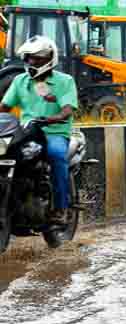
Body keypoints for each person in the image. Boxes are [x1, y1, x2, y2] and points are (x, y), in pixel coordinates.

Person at [0, 35, 78, 225]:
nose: (31, 62)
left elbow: (68, 108)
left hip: (55, 132)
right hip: (27, 132)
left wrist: (55, 117)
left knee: (56, 154)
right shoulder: (20, 80)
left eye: (36, 58)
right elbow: (5, 106)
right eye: (28, 58)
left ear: (49, 58)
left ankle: (61, 208)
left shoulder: (65, 81)